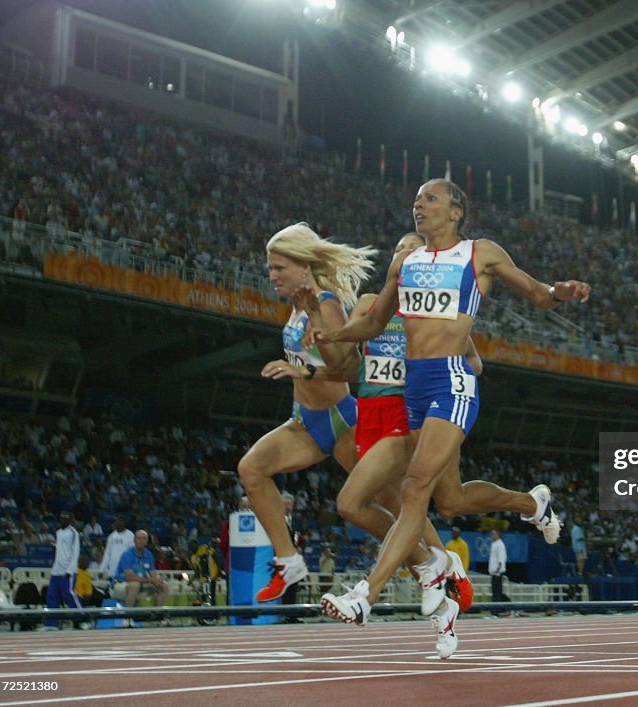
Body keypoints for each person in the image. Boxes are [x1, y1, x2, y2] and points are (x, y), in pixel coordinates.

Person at [319, 179, 590, 656]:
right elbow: (375, 322)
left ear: (456, 212)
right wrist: (335, 338)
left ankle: (366, 596)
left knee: (413, 488)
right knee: (450, 501)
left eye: (429, 199)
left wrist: (560, 291)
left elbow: (535, 292)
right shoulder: (405, 261)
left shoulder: (479, 253)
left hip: (453, 382)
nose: (418, 204)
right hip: (416, 390)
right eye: (416, 198)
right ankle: (533, 504)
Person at [327, 232, 479, 618]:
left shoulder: (433, 312)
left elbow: (473, 364)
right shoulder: (368, 304)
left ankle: (430, 567)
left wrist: (439, 376)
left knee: (404, 497)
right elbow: (342, 364)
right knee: (390, 503)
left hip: (406, 412)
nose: (405, 255)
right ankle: (438, 576)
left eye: (415, 251)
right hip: (369, 412)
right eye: (399, 250)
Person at [236, 222, 374, 603]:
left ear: (303, 265)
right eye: (270, 268)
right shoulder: (298, 305)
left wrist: (304, 370)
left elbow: (351, 370)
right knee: (251, 470)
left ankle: (433, 564)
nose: (272, 275)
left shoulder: (325, 304)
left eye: (279, 267)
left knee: (382, 506)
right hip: (306, 422)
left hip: (342, 420)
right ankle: (288, 560)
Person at [110, 530, 168, 613]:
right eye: (139, 538)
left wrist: (157, 579)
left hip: (141, 584)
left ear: (147, 541)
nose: (141, 541)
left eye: (144, 539)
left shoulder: (149, 554)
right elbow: (129, 578)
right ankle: (128, 618)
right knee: (135, 585)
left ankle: (156, 614)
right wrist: (151, 580)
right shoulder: (127, 554)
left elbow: (153, 574)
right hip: (120, 584)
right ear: (134, 540)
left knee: (164, 585)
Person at [43, 511, 81, 629]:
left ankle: (82, 618)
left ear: (70, 520)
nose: (64, 520)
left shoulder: (73, 533)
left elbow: (75, 553)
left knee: (68, 594)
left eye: (66, 518)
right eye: (62, 518)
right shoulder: (58, 533)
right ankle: (52, 624)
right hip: (56, 570)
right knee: (51, 595)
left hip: (67, 570)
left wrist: (70, 570)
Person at [99, 515, 134, 581]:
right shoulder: (111, 536)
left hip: (124, 570)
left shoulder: (130, 535)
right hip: (112, 570)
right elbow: (107, 554)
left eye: (119, 521)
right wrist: (102, 569)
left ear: (124, 522)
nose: (117, 523)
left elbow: (132, 554)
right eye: (116, 522)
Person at [488, 529, 510, 602]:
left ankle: (499, 609)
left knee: (497, 592)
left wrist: (498, 572)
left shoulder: (500, 545)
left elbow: (501, 559)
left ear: (498, 535)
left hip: (497, 572)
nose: (492, 536)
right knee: (495, 591)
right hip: (494, 572)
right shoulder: (494, 544)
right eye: (491, 534)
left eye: (494, 534)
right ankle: (506, 606)